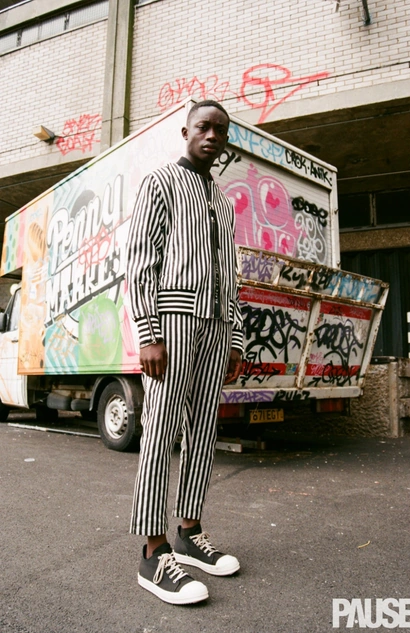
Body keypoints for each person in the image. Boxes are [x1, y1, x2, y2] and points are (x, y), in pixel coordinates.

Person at [126, 100, 244, 605]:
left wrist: (235, 339)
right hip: (172, 323)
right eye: (203, 126)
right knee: (161, 429)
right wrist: (148, 333)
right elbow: (140, 263)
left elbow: (231, 275)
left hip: (216, 327)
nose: (212, 135)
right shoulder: (161, 183)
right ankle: (153, 553)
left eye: (220, 129)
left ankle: (189, 533)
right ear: (186, 132)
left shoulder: (223, 202)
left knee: (203, 432)